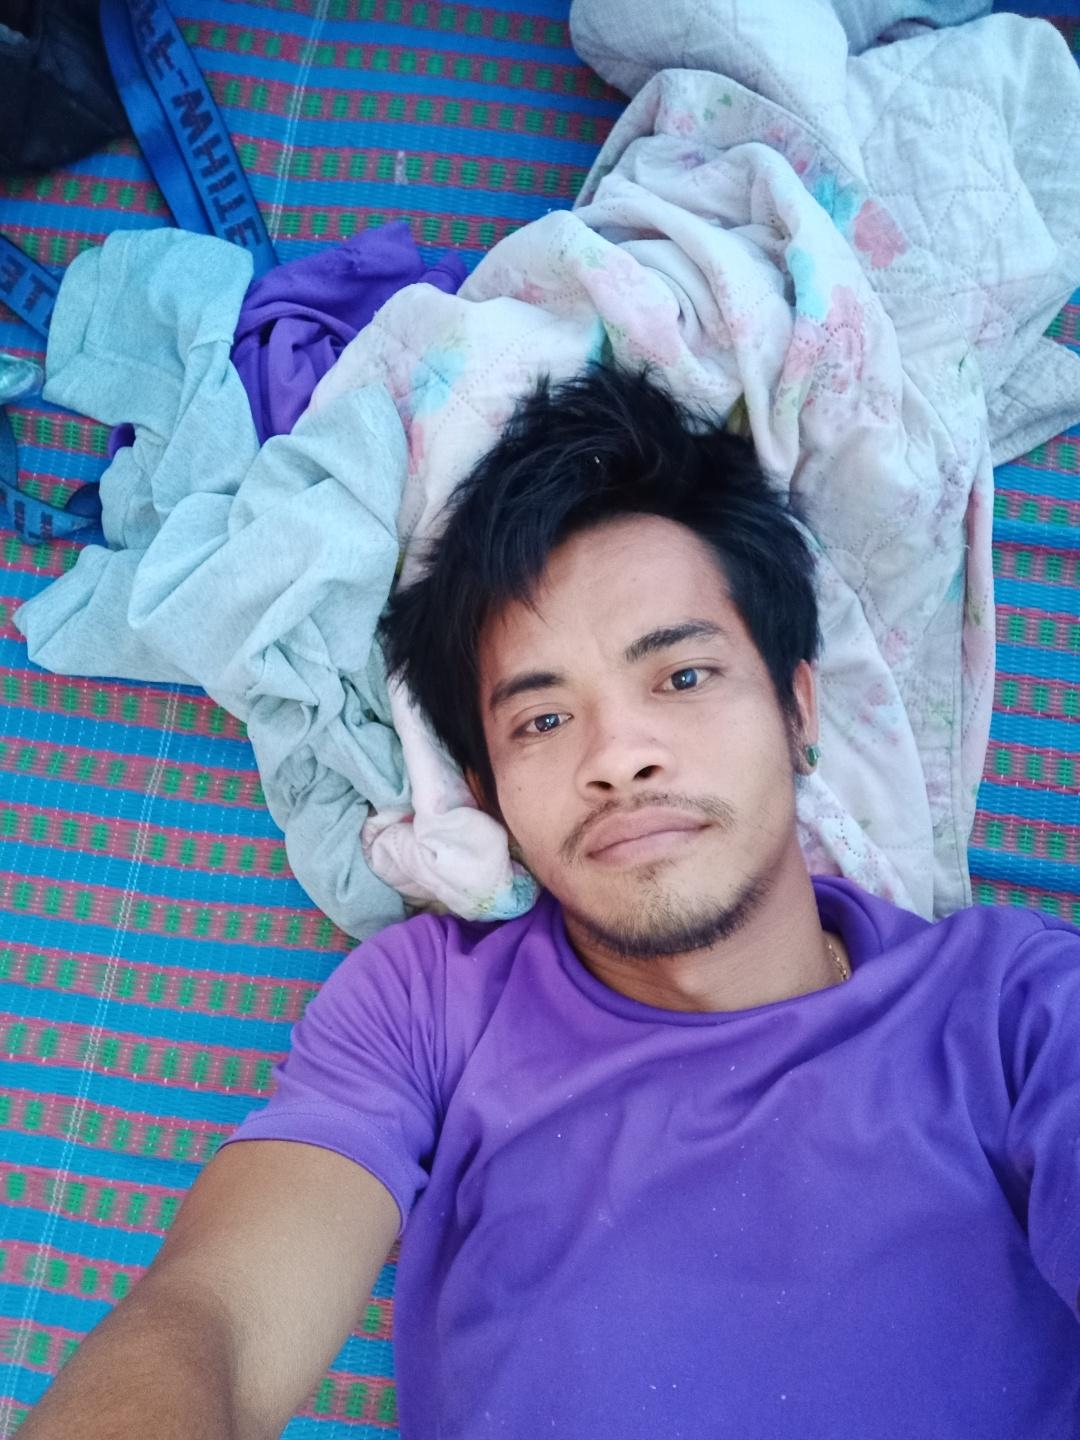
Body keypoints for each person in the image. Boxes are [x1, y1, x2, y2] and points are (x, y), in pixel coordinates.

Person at [21, 366, 1080, 1440]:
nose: (618, 756)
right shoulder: (427, 1009)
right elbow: (214, 1315)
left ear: (798, 709)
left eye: (682, 677)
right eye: (541, 721)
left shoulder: (1017, 1009)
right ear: (485, 793)